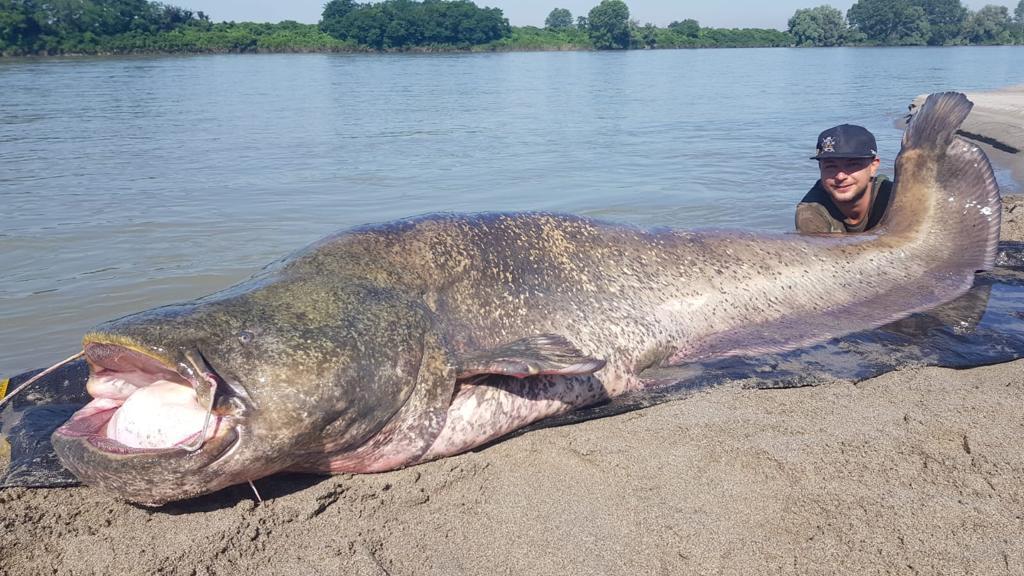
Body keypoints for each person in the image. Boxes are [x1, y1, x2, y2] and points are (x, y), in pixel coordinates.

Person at [795, 124, 894, 234]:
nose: (840, 176)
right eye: (831, 166)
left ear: (873, 166)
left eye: (852, 165)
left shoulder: (895, 198)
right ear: (820, 168)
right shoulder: (811, 212)